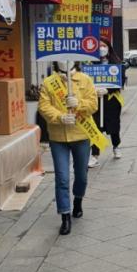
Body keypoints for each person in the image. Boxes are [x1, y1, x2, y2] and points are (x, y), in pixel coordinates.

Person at [38, 62, 98, 235]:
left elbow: (93, 104)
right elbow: (44, 106)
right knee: (62, 177)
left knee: (81, 175)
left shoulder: (85, 79)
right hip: (58, 137)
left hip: (81, 134)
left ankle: (78, 200)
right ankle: (65, 215)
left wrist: (79, 103)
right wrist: (60, 117)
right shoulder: (49, 82)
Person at [89, 38, 125, 167]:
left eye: (104, 46)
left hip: (112, 100)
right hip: (95, 100)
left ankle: (116, 146)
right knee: (95, 126)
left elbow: (121, 81)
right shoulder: (91, 64)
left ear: (109, 48)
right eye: (99, 46)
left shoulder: (117, 63)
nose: (101, 48)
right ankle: (95, 155)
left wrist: (108, 90)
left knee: (113, 126)